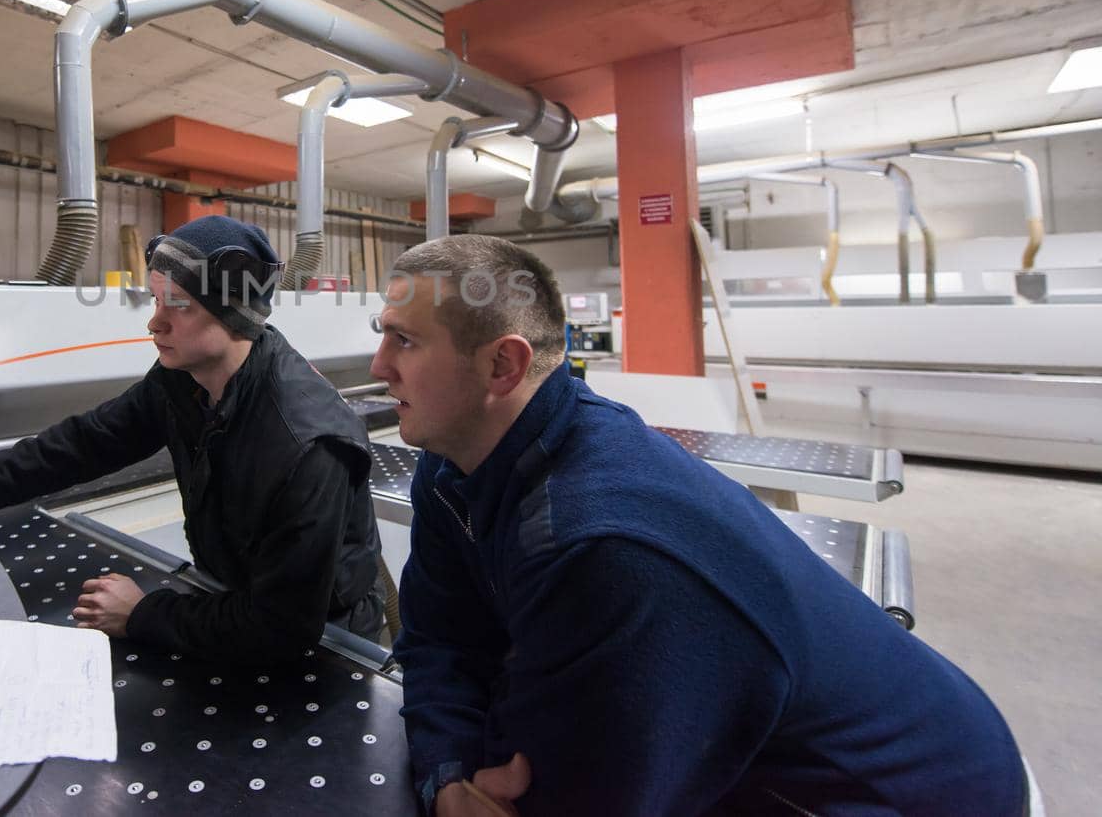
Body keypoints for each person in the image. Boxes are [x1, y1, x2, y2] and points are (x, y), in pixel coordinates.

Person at [372, 234, 1027, 817]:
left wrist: (471, 771)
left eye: (405, 340)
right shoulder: (454, 468)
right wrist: (449, 774)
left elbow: (564, 792)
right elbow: (437, 639)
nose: (378, 366)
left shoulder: (605, 544)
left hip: (897, 795)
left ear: (501, 366)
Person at [0, 215, 384, 661]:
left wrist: (143, 614)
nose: (154, 323)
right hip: (232, 599)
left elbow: (283, 628)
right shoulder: (183, 381)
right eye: (154, 301)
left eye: (177, 305)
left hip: (331, 641)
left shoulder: (303, 444)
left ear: (232, 313)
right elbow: (85, 443)